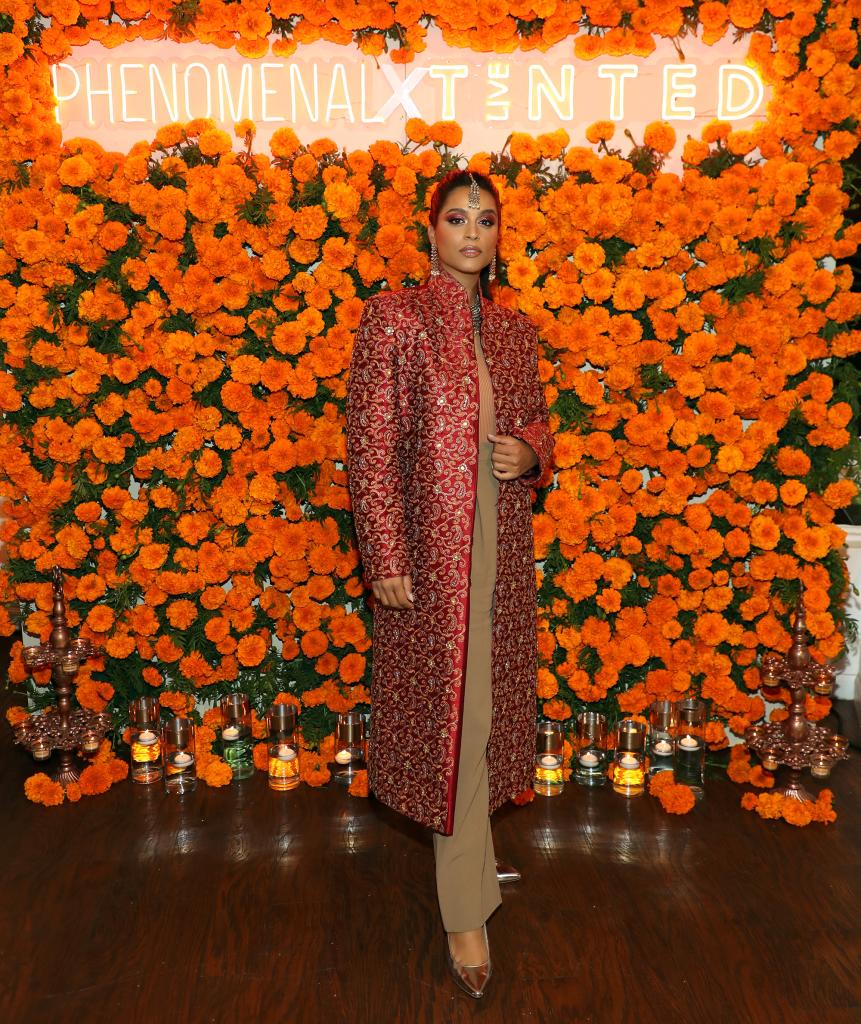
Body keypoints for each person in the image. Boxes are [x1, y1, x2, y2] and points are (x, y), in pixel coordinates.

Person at [345, 169, 554, 999]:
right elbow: (369, 444)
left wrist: (531, 453)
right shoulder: (394, 318)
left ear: (500, 237)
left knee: (487, 711)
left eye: (488, 220)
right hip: (430, 558)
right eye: (458, 218)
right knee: (452, 717)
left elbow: (536, 417)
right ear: (430, 230)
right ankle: (465, 910)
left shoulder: (515, 331)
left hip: (501, 548)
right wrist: (386, 555)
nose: (473, 232)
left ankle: (467, 847)